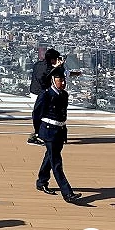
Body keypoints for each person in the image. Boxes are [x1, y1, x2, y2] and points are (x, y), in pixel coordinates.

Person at [34, 67, 82, 204]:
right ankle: (67, 193)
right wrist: (38, 131)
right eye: (60, 80)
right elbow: (36, 114)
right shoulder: (46, 94)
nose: (63, 82)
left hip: (60, 131)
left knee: (50, 157)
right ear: (53, 81)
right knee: (57, 163)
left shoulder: (64, 95)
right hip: (49, 131)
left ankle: (41, 181)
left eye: (63, 80)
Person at [27, 48, 62, 145]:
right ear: (52, 59)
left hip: (34, 92)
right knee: (43, 115)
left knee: (41, 114)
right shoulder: (49, 69)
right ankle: (38, 135)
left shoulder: (38, 64)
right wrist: (57, 67)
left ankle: (40, 134)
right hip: (41, 94)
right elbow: (52, 76)